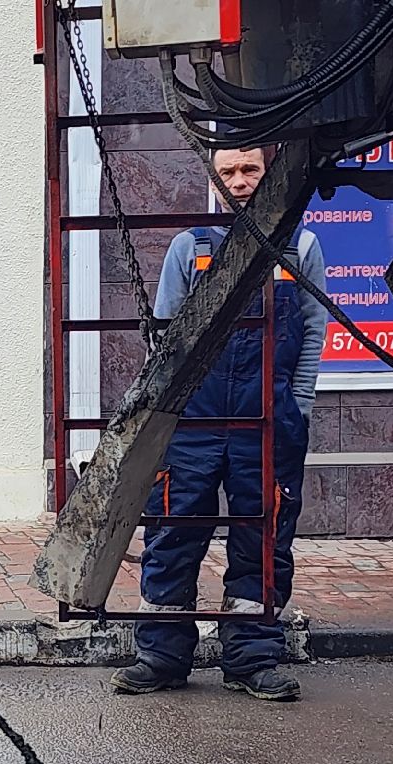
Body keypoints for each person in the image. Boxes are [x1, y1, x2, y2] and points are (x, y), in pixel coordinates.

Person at [110, 146, 328, 703]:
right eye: (227, 172)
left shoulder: (300, 248)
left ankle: (253, 659)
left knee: (263, 540)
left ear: (269, 171)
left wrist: (297, 406)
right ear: (213, 179)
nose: (239, 181)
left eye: (250, 169)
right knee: (173, 533)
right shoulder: (191, 249)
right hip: (193, 424)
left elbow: (312, 333)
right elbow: (164, 339)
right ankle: (161, 657)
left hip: (268, 422)